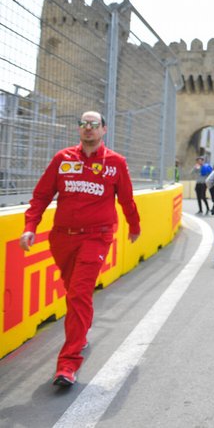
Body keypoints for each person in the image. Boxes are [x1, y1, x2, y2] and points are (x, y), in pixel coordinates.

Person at [19, 111, 140, 387]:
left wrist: (134, 226)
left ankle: (68, 364)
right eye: (84, 124)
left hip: (96, 238)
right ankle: (81, 335)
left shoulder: (116, 163)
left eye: (93, 125)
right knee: (73, 291)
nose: (88, 128)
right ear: (79, 129)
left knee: (79, 293)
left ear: (104, 130)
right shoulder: (62, 159)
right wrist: (30, 227)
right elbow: (41, 196)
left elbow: (127, 200)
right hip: (62, 239)